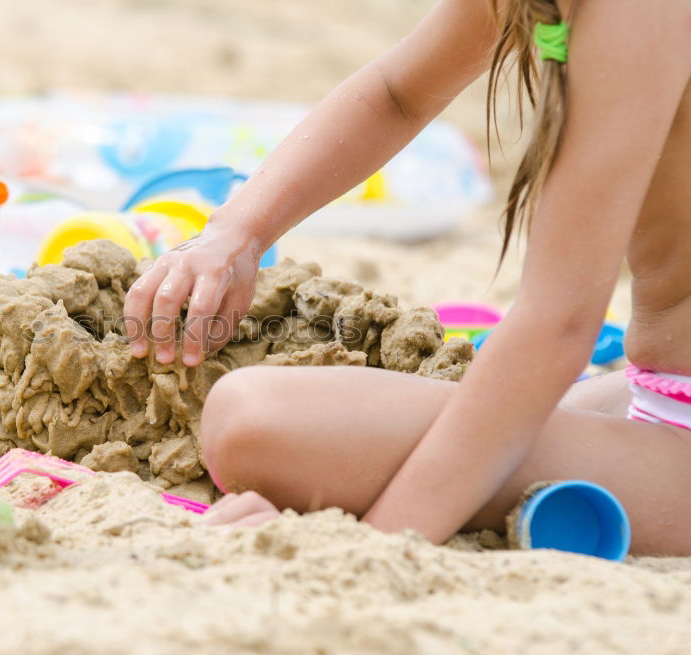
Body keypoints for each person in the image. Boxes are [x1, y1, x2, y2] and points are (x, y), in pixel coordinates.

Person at [122, 0, 691, 555]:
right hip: (657, 390)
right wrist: (239, 230)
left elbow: (559, 324)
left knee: (252, 420)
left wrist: (368, 545)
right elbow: (398, 93)